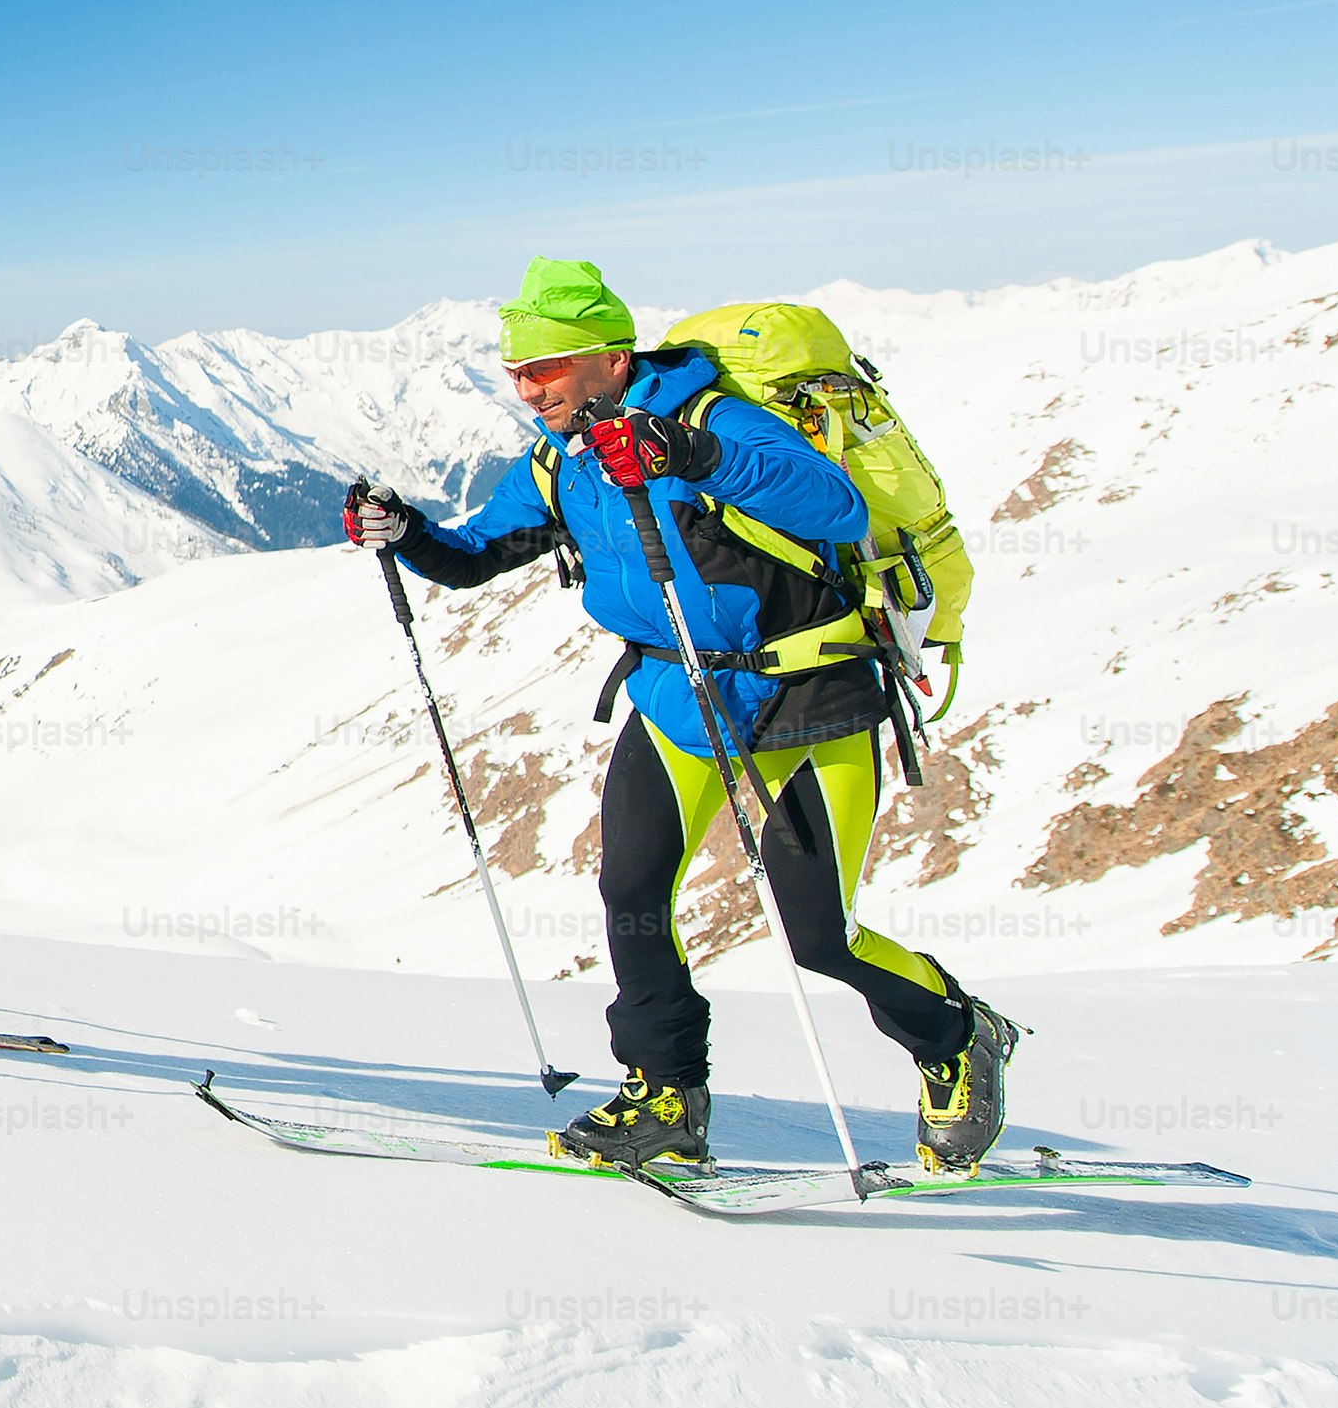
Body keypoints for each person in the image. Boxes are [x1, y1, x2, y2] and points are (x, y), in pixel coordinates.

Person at [345, 255, 1017, 1173]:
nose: (527, 387)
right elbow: (474, 556)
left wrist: (690, 456)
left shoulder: (707, 418)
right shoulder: (562, 462)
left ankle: (956, 1037)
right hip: (675, 698)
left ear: (612, 360)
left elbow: (835, 501)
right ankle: (664, 1094)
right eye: (518, 371)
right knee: (632, 896)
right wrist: (406, 530)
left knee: (821, 934)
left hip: (804, 694)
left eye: (546, 367)